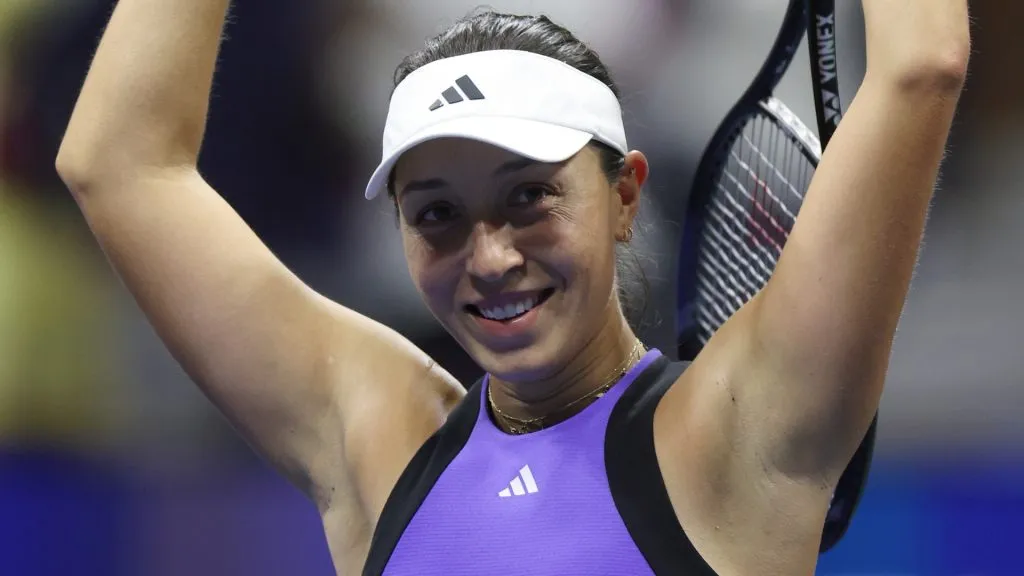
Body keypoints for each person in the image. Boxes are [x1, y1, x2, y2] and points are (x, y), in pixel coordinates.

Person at [55, 1, 969, 574]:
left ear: (623, 196)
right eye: (437, 215)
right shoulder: (382, 437)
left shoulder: (740, 427)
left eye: (530, 198)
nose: (489, 256)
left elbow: (920, 63)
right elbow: (117, 163)